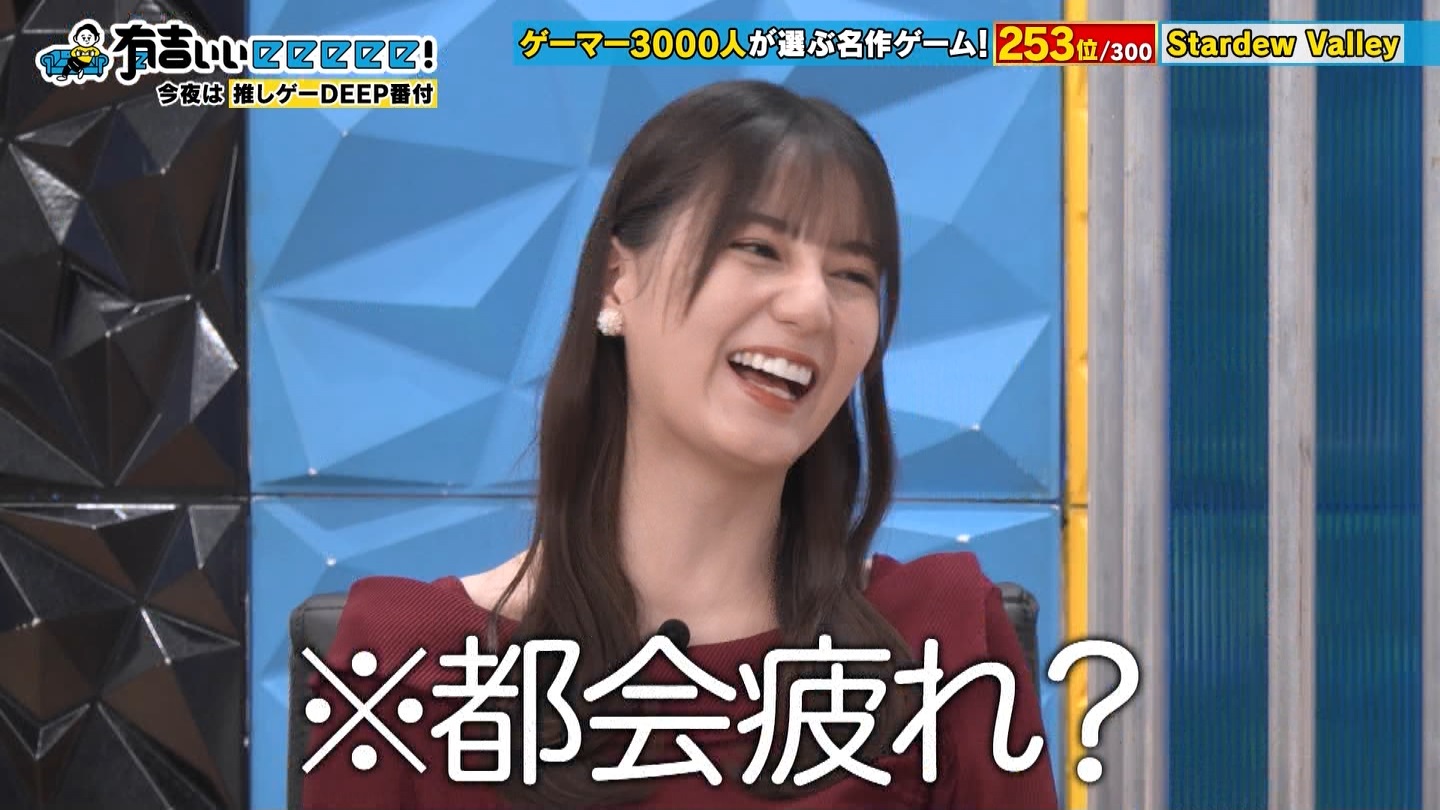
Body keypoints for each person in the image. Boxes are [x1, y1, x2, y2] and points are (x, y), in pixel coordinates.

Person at [302, 79, 1057, 810]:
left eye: (852, 274)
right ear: (615, 281)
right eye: (758, 247)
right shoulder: (406, 665)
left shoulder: (940, 640)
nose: (812, 306)